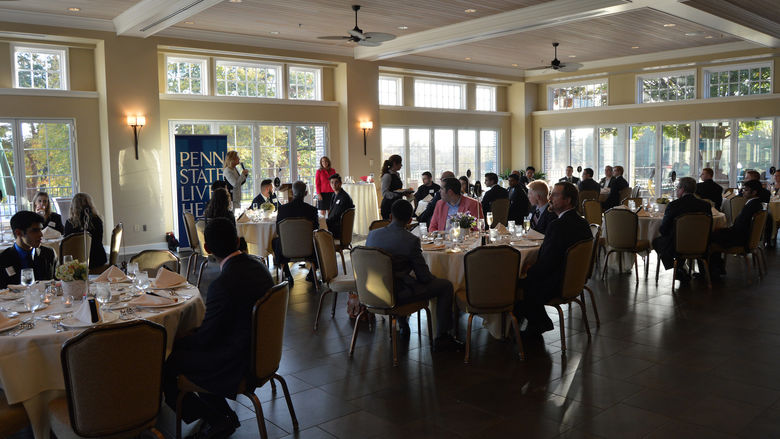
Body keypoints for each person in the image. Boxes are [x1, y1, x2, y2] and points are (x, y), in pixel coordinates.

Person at [163, 218, 273, 439]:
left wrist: (174, 341)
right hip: (264, 355)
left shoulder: (222, 285)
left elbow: (206, 339)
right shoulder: (260, 268)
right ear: (238, 240)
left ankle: (217, 419)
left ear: (207, 249)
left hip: (237, 363)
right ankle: (222, 416)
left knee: (168, 362)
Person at [365, 199, 462, 350]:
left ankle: (402, 323)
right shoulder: (411, 241)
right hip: (397, 294)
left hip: (371, 291)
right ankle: (443, 336)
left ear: (390, 216)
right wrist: (434, 278)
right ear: (410, 220)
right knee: (445, 286)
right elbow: (424, 277)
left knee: (398, 279)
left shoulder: (372, 235)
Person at [515, 182, 591, 334]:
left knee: (515, 282)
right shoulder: (583, 223)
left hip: (557, 283)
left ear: (568, 200)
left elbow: (546, 264)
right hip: (575, 280)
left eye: (555, 195)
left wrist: (527, 270)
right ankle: (536, 321)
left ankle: (533, 323)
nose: (550, 198)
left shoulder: (557, 226)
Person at [652, 177, 712, 280]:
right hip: (701, 244)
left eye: (677, 188)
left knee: (657, 242)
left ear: (682, 189)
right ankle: (681, 268)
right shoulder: (705, 205)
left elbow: (663, 229)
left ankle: (678, 268)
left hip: (677, 246)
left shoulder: (674, 205)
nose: (676, 190)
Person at [709, 179, 765, 276]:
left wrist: (724, 231)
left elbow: (740, 228)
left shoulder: (751, 206)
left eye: (746, 190)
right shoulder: (756, 204)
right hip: (746, 237)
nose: (743, 191)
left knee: (708, 237)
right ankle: (717, 267)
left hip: (740, 239)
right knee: (716, 233)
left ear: (754, 192)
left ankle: (712, 270)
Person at [272, 181, 318, 286]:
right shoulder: (312, 210)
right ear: (306, 193)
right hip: (308, 250)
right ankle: (312, 274)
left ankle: (287, 274)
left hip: (286, 250)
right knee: (318, 242)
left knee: (275, 242)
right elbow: (316, 231)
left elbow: (279, 231)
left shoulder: (283, 209)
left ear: (292, 192)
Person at [0, 211, 56, 288]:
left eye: (40, 229)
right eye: (35, 230)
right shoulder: (3, 259)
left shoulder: (48, 254)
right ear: (18, 233)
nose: (41, 234)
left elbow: (56, 284)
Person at [64, 193, 107, 269]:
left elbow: (67, 245)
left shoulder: (70, 223)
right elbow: (99, 240)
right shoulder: (97, 220)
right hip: (98, 258)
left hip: (77, 262)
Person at [380, 155, 413, 220]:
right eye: (400, 163)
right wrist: (398, 194)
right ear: (395, 163)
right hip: (388, 205)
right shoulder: (387, 175)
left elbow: (396, 189)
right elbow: (384, 193)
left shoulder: (397, 174)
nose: (401, 165)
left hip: (397, 204)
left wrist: (404, 192)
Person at [326, 174, 355, 239]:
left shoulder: (344, 197)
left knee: (319, 232)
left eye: (336, 182)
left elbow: (337, 215)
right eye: (332, 183)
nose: (334, 185)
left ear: (340, 183)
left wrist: (325, 222)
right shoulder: (334, 195)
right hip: (333, 225)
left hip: (339, 229)